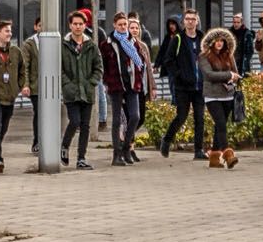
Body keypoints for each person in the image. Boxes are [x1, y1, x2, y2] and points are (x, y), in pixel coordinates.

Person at [99, 10, 150, 166]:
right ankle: (117, 154)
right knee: (116, 121)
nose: (123, 27)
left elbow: (140, 62)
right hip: (116, 85)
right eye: (120, 24)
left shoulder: (133, 42)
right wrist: (107, 81)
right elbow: (104, 66)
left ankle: (126, 147)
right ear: (114, 25)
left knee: (135, 116)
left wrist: (140, 79)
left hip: (133, 84)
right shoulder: (107, 44)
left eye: (125, 24)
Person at [156, 10, 206, 160]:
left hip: (199, 86)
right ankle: (167, 140)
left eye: (193, 19)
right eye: (188, 19)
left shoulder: (202, 38)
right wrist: (179, 75)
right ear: (183, 22)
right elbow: (168, 60)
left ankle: (198, 150)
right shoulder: (178, 39)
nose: (190, 22)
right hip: (183, 86)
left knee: (200, 118)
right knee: (181, 116)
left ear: (197, 21)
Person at [57, 12, 100, 169]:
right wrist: (67, 85)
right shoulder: (63, 46)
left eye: (80, 24)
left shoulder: (91, 46)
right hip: (71, 93)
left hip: (87, 92)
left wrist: (91, 83)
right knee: (74, 121)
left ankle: (81, 158)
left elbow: (98, 68)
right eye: (75, 24)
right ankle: (64, 147)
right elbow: (59, 69)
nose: (77, 26)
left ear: (85, 25)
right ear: (70, 25)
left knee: (85, 125)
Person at [198, 24, 241, 168]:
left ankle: (214, 158)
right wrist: (228, 75)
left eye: (222, 41)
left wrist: (233, 77)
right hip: (212, 96)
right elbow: (209, 75)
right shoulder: (203, 56)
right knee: (221, 123)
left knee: (219, 125)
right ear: (211, 42)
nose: (219, 43)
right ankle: (228, 154)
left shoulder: (228, 55)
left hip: (228, 95)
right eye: (217, 41)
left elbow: (236, 72)